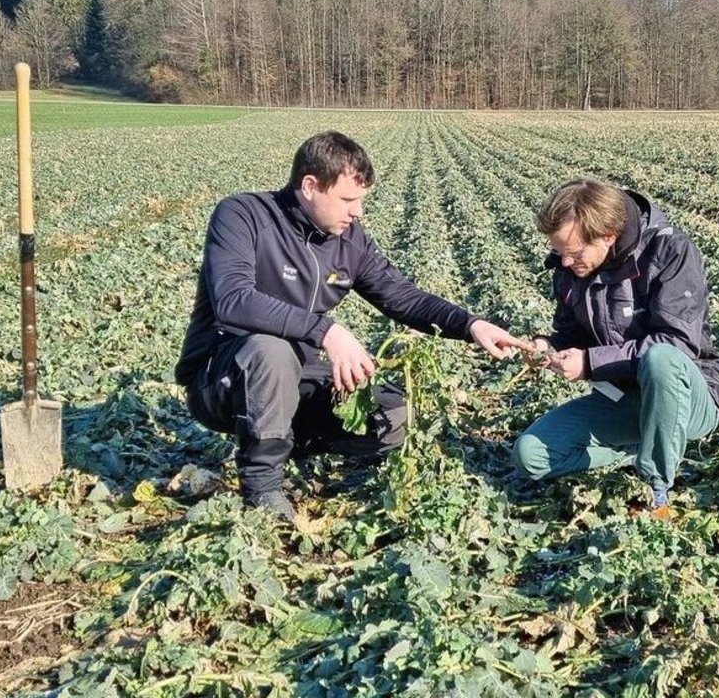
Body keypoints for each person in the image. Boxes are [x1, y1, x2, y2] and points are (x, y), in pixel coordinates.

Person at [175, 131, 527, 520]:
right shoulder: (244, 215)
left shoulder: (349, 240)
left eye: (360, 200)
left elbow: (402, 297)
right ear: (310, 186)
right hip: (223, 378)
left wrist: (471, 325)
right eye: (347, 200)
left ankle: (288, 443)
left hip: (297, 376)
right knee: (270, 350)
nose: (357, 211)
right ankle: (262, 489)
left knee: (393, 413)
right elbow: (234, 299)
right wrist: (326, 331)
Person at [512, 178, 719, 518]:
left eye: (574, 253)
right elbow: (571, 333)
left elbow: (677, 344)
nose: (565, 263)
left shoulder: (670, 252)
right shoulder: (571, 266)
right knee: (530, 455)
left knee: (661, 360)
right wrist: (547, 346)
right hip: (623, 398)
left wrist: (590, 363)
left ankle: (655, 486)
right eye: (560, 253)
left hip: (687, 398)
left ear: (608, 236)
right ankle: (638, 448)